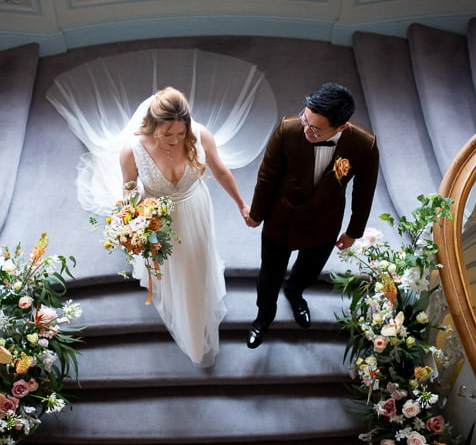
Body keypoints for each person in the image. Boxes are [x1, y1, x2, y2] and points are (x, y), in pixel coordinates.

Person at [119, 87, 252, 366]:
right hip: (161, 216)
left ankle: (199, 307)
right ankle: (189, 324)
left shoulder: (200, 135)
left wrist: (241, 204)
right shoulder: (132, 150)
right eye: (168, 134)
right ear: (153, 126)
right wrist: (133, 221)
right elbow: (129, 189)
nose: (176, 140)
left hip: (195, 207)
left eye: (181, 133)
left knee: (197, 260)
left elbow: (220, 170)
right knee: (173, 266)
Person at [245, 82, 379, 348]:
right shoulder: (288, 129)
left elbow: (364, 192)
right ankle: (263, 316)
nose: (306, 129)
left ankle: (295, 292)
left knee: (309, 269)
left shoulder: (364, 145)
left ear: (341, 127)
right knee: (269, 274)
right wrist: (257, 214)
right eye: (305, 120)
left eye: (315, 128)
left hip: (325, 220)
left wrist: (354, 231)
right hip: (282, 215)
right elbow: (267, 176)